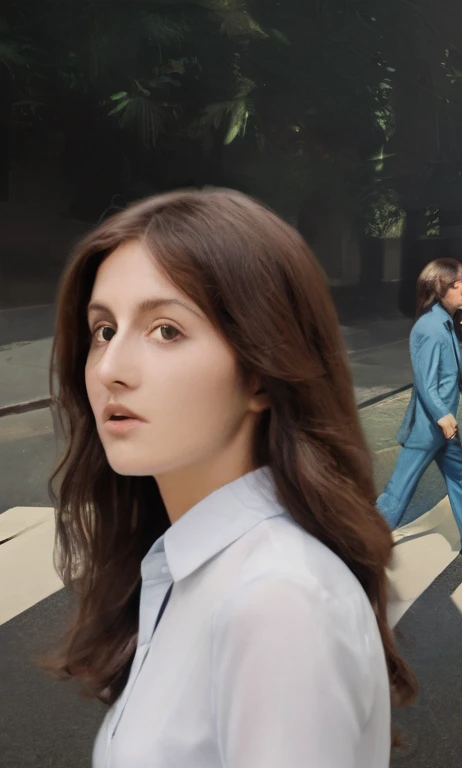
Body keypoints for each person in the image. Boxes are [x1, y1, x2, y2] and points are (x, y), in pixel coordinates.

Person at [44, 188, 415, 767]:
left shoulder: (276, 601)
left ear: (261, 376)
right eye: (104, 331)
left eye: (165, 329)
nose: (110, 369)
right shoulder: (191, 564)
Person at [376, 257, 462, 555]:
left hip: (445, 425)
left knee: (461, 477)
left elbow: (443, 370)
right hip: (430, 427)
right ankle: (365, 541)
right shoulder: (429, 328)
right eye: (457, 284)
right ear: (438, 289)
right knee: (400, 489)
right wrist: (442, 416)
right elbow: (425, 382)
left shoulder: (444, 323)